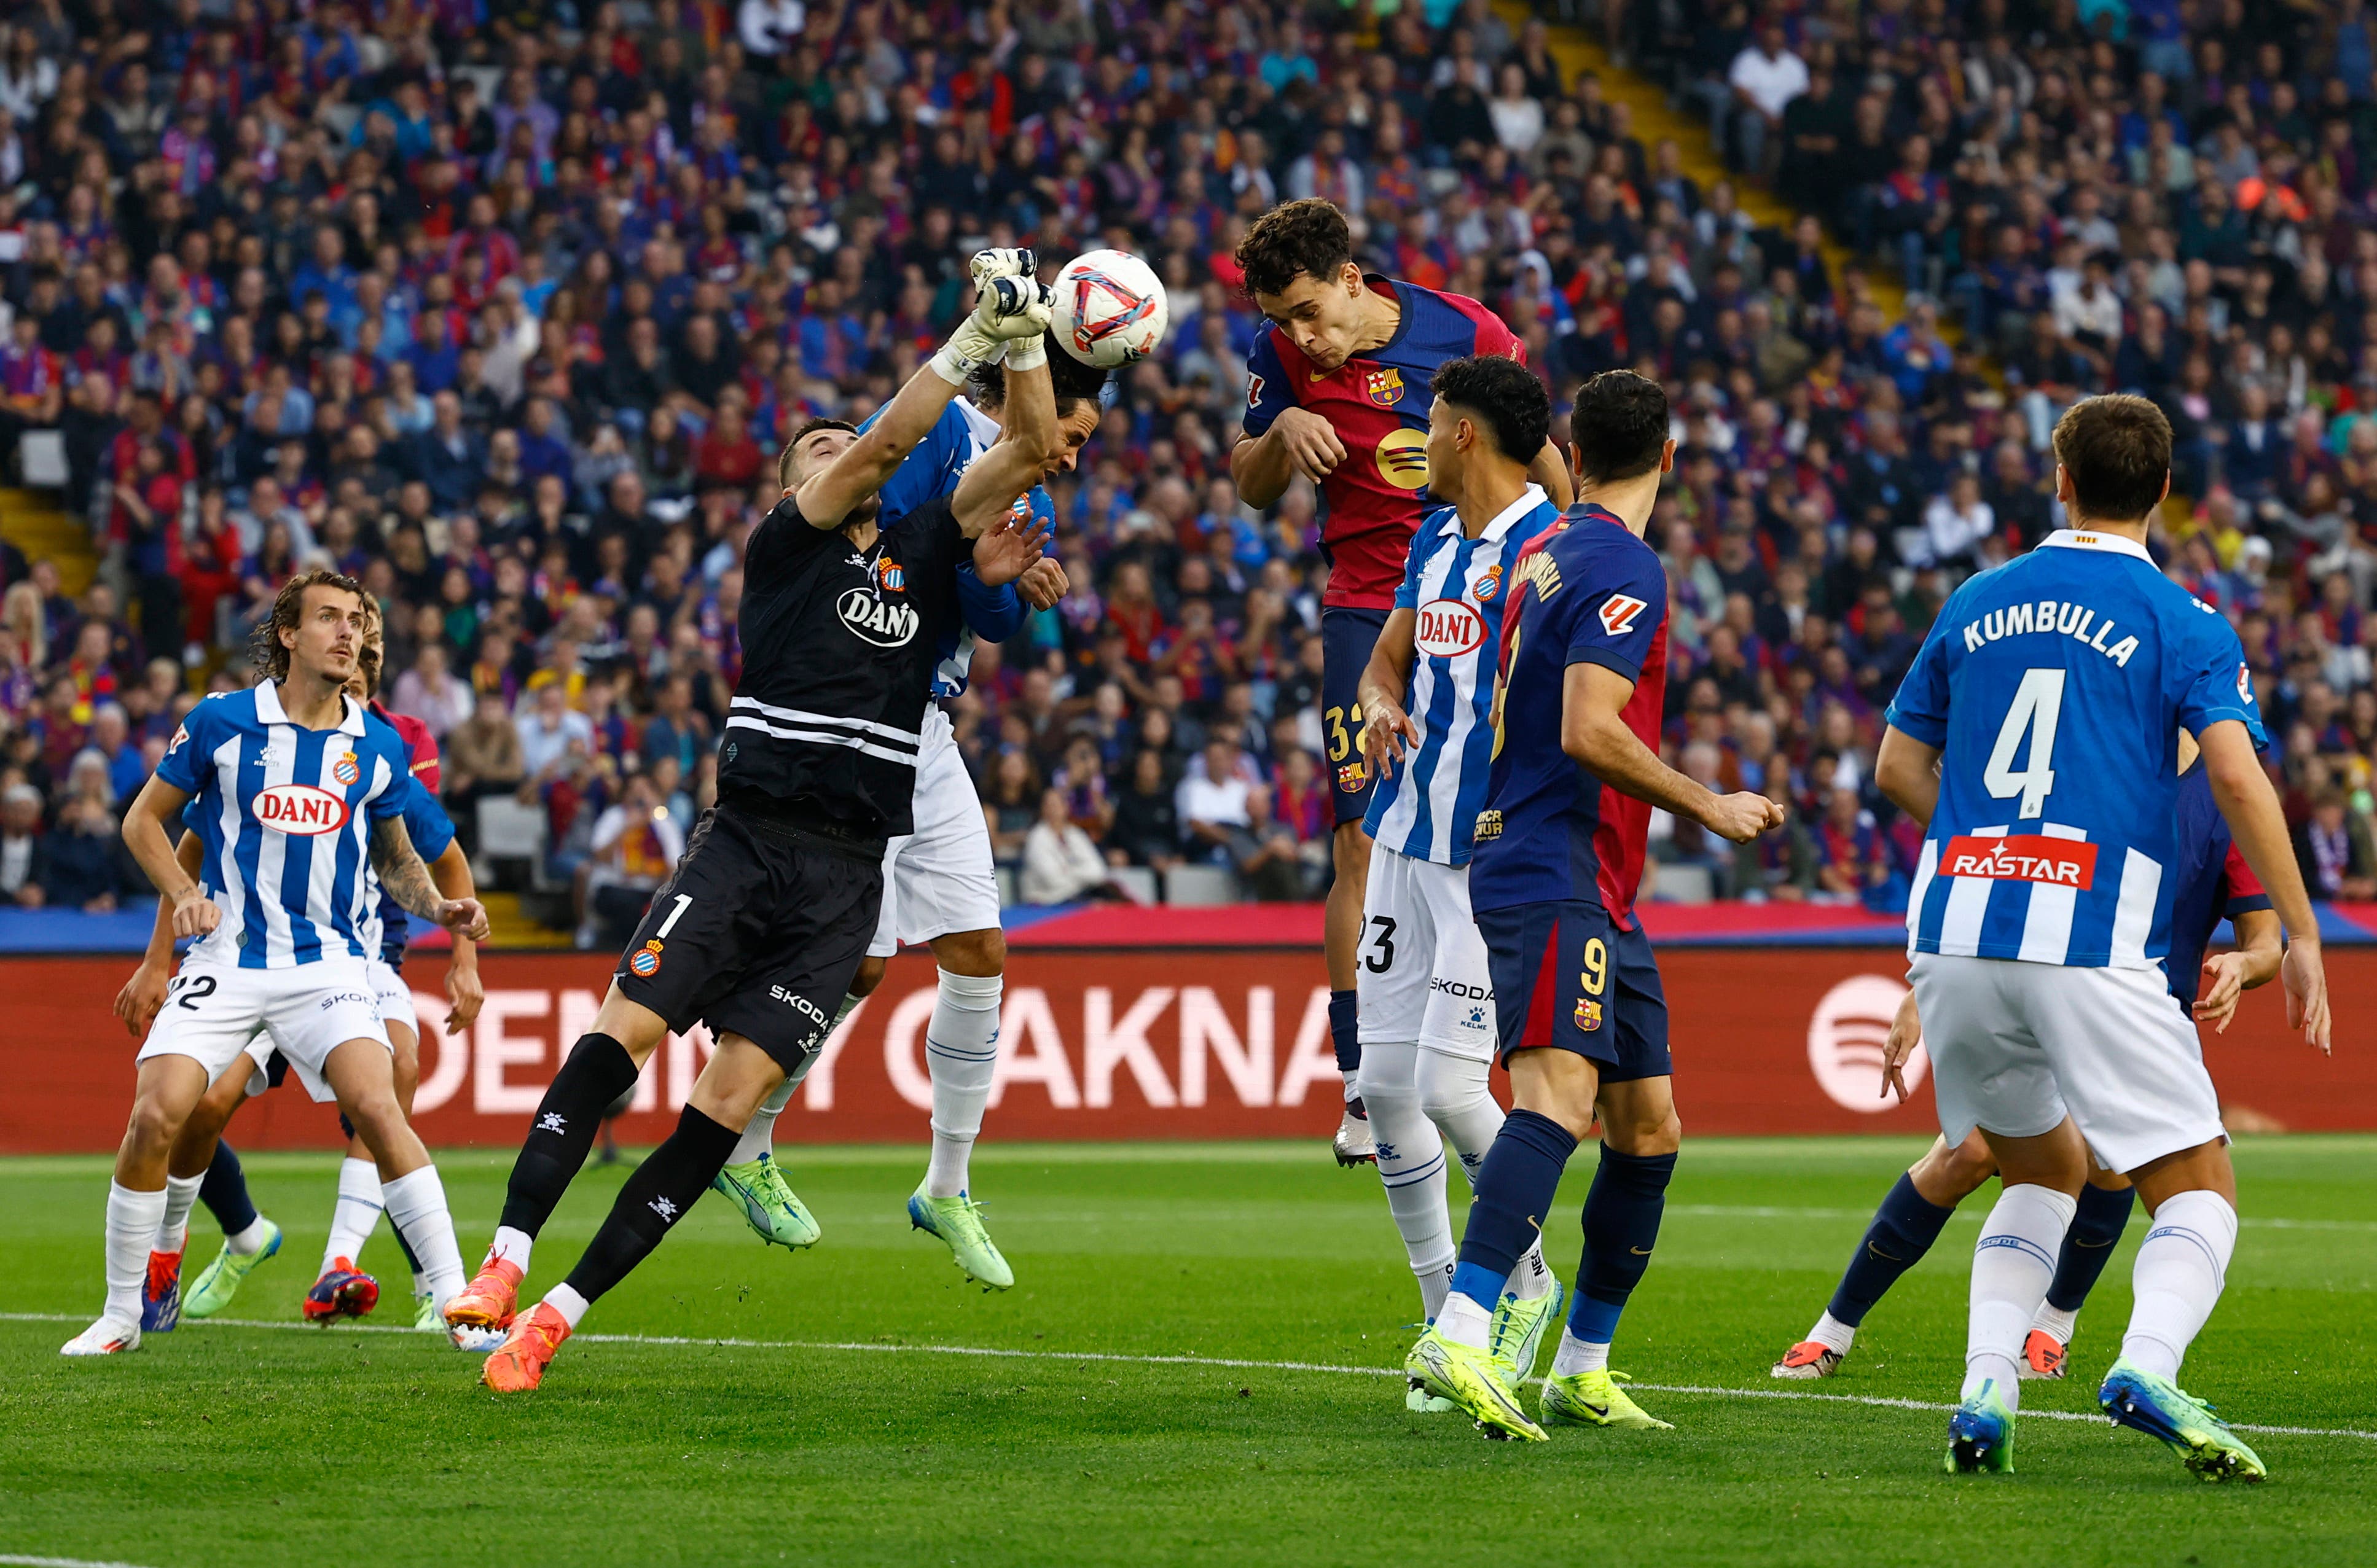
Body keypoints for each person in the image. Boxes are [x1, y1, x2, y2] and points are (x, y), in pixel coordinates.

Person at [446, 252, 1056, 1392]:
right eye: (813, 452)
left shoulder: (922, 547)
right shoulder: (784, 549)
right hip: (745, 843)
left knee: (724, 1103)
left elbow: (1024, 450)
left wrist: (1024, 342)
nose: (840, 453)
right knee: (620, 1036)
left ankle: (555, 1320)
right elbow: (881, 444)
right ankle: (502, 1259)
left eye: (845, 445)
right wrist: (976, 335)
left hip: (844, 878)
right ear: (792, 486)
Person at [1871, 393, 2328, 1480]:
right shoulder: (2183, 619)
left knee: (2035, 1168)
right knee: (2198, 1180)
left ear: (2058, 478)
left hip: (1953, 928)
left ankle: (1985, 1378)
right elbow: (2230, 769)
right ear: (2161, 492)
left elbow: (1894, 767)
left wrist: (1986, 845)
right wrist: (2300, 927)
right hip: (2086, 929)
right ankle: (2145, 1362)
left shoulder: (1973, 598)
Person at [1402, 371, 1782, 1440]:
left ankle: (1581, 1364)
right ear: (1670, 457)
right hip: (1548, 860)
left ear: (1573, 447)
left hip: (1590, 879)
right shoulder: (1619, 560)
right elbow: (1585, 724)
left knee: (1646, 1124)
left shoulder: (1545, 550)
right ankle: (1463, 1327)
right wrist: (1708, 802)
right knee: (1557, 1099)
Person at [710, 316, 1103, 1289]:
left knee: (980, 947)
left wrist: (1013, 584)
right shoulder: (937, 442)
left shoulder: (1026, 494)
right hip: (856, 724)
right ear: (1031, 397)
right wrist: (972, 572)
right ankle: (744, 1139)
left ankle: (947, 1183)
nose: (1068, 449)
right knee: (862, 965)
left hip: (929, 728)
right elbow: (892, 548)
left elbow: (991, 617)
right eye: (1068, 426)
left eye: (1082, 441)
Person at [63, 569, 491, 1356]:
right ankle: (123, 1314)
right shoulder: (223, 723)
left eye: (356, 621)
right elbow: (143, 823)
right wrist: (183, 898)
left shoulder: (376, 742)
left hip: (329, 965)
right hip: (228, 959)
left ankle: (460, 1305)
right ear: (288, 635)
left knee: (378, 1103)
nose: (347, 633)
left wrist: (440, 911)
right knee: (159, 1115)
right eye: (329, 618)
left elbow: (398, 860)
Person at [1229, 198, 1574, 1165]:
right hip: (1364, 603)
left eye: (1307, 313)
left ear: (1350, 280)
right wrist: (1282, 426)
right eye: (1282, 322)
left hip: (1483, 594)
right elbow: (1249, 481)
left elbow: (1542, 454)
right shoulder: (1282, 357)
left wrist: (1580, 563)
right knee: (1358, 837)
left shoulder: (1468, 332)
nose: (1300, 336)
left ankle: (1502, 1044)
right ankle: (1357, 1081)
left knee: (1496, 821)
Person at [1773, 729, 2283, 1382]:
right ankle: (1832, 1330)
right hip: (2040, 987)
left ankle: (2049, 1328)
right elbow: (2006, 874)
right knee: (1964, 1155)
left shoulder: (2226, 794)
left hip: (2137, 1013)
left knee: (2109, 1162)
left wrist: (2247, 961)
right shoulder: (2095, 757)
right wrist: (1920, 988)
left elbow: (2265, 936)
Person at [1348, 354, 1565, 1388]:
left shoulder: (1544, 555)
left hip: (1486, 859)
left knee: (1446, 1083)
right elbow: (1384, 659)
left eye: (1428, 425)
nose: (1414, 444)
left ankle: (1521, 1283)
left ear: (1466, 434)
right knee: (1385, 1087)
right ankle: (1443, 1320)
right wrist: (1381, 698)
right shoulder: (1432, 539)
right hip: (1399, 839)